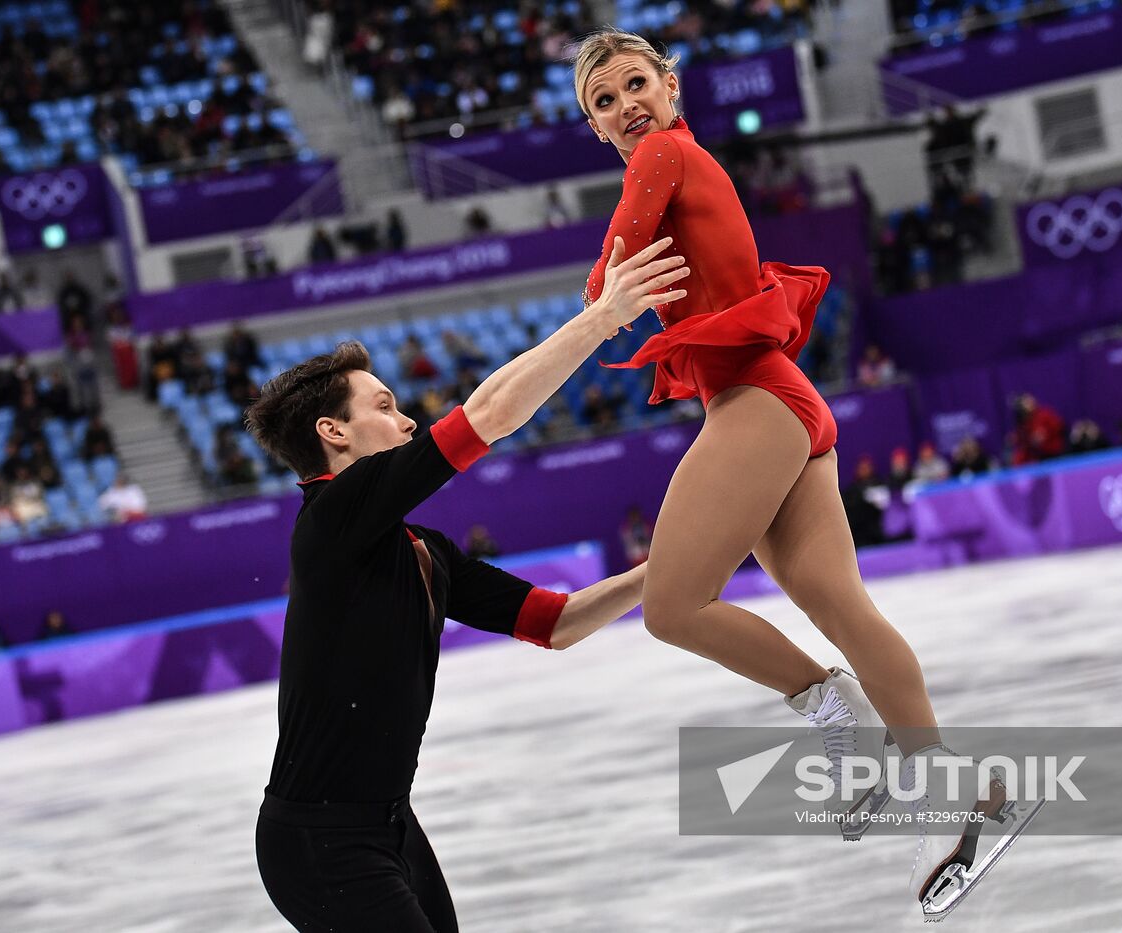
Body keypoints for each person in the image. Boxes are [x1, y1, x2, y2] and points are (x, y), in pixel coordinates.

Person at [575, 30, 1009, 914]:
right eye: (604, 103)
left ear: (670, 84)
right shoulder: (669, 158)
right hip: (779, 400)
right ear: (594, 127)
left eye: (633, 85)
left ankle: (829, 704)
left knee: (670, 607)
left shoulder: (661, 152)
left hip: (756, 404)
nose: (626, 108)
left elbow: (606, 289)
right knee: (839, 603)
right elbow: (616, 283)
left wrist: (604, 297)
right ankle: (962, 794)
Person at [244, 232, 685, 931]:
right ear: (333, 431)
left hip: (390, 827)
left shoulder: (423, 549)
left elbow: (557, 620)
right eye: (384, 406)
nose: (407, 418)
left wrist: (678, 563)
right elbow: (492, 415)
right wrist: (602, 317)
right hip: (319, 841)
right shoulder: (330, 517)